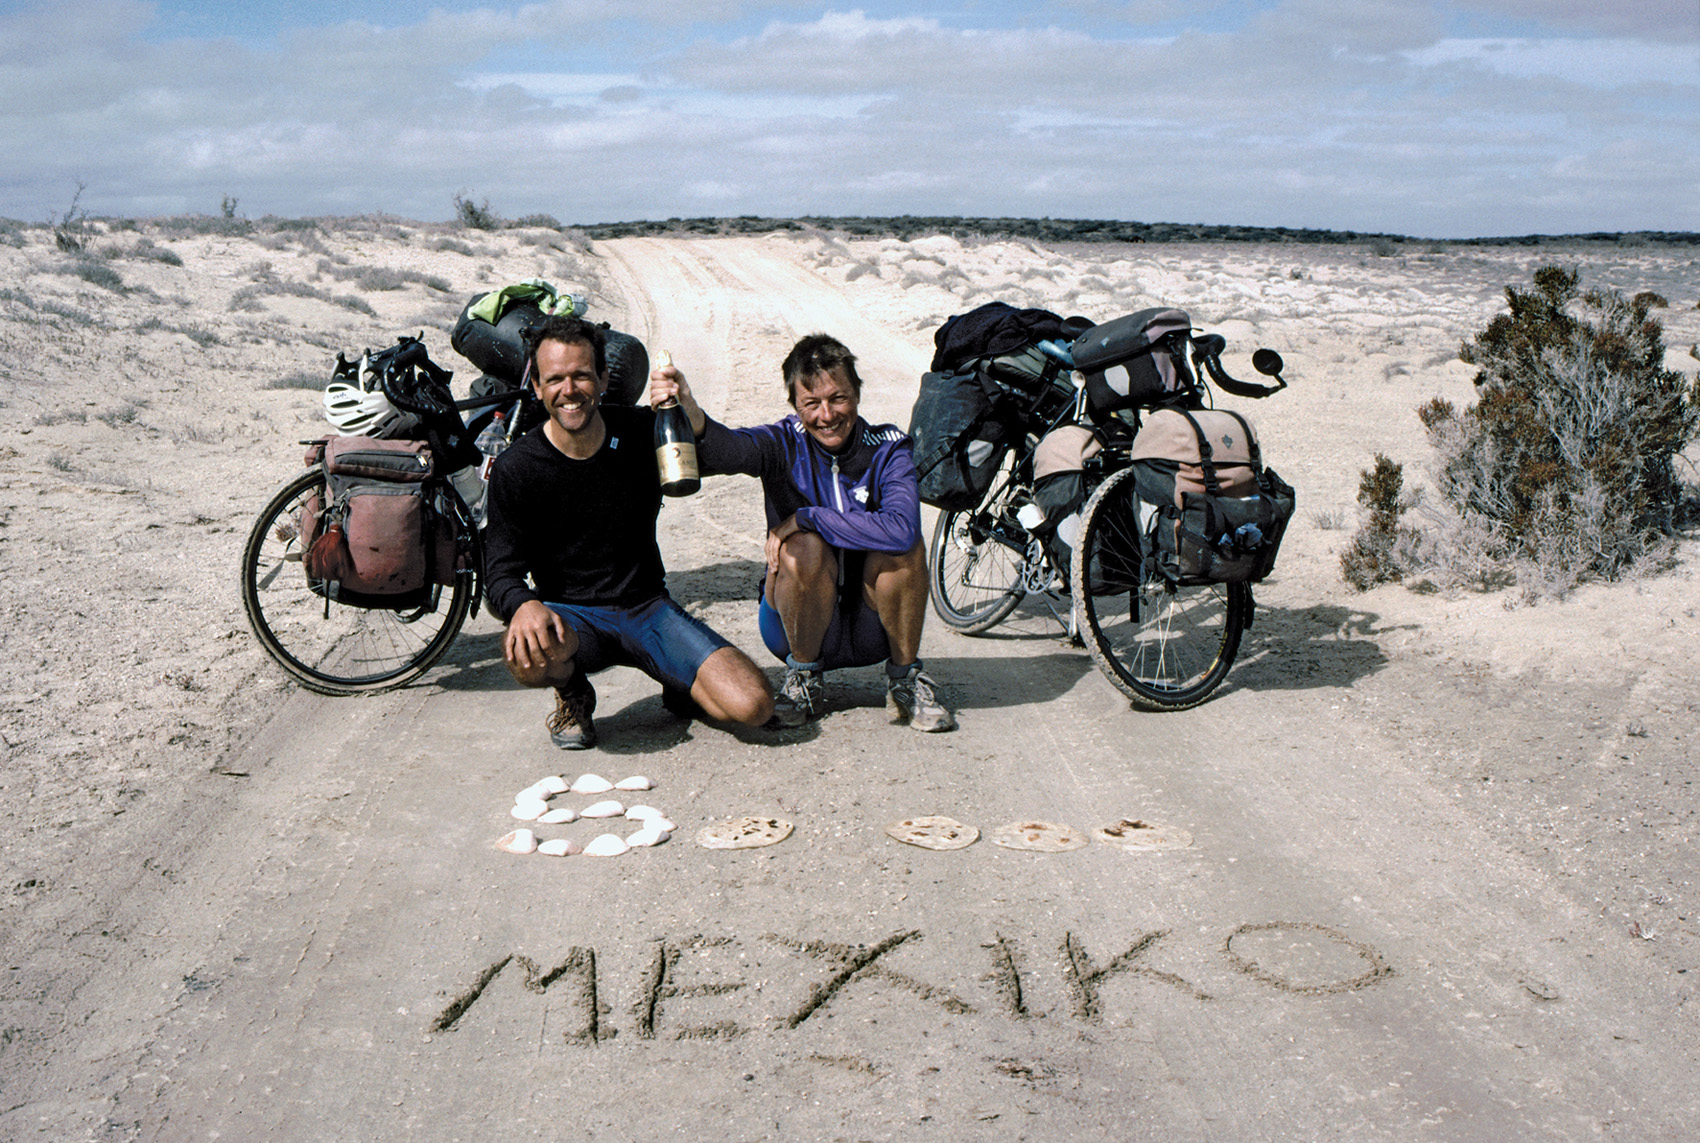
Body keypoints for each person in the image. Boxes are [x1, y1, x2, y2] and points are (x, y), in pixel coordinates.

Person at [483, 315, 774, 748]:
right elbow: (499, 571)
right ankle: (573, 692)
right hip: (573, 620)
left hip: (647, 609)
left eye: (582, 375)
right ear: (539, 388)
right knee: (525, 651)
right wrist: (523, 604)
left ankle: (678, 680)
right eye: (555, 379)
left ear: (603, 378)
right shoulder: (517, 468)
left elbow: (730, 457)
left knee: (753, 707)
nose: (569, 391)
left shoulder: (641, 432)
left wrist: (690, 412)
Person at [649, 334, 956, 732]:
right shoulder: (782, 442)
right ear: (796, 405)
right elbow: (729, 449)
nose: (826, 415)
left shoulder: (888, 446)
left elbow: (901, 530)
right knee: (804, 549)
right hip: (794, 627)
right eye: (811, 403)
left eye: (838, 398)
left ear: (857, 395)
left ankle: (904, 680)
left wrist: (809, 516)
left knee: (905, 548)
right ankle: (804, 679)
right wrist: (691, 412)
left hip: (873, 627)